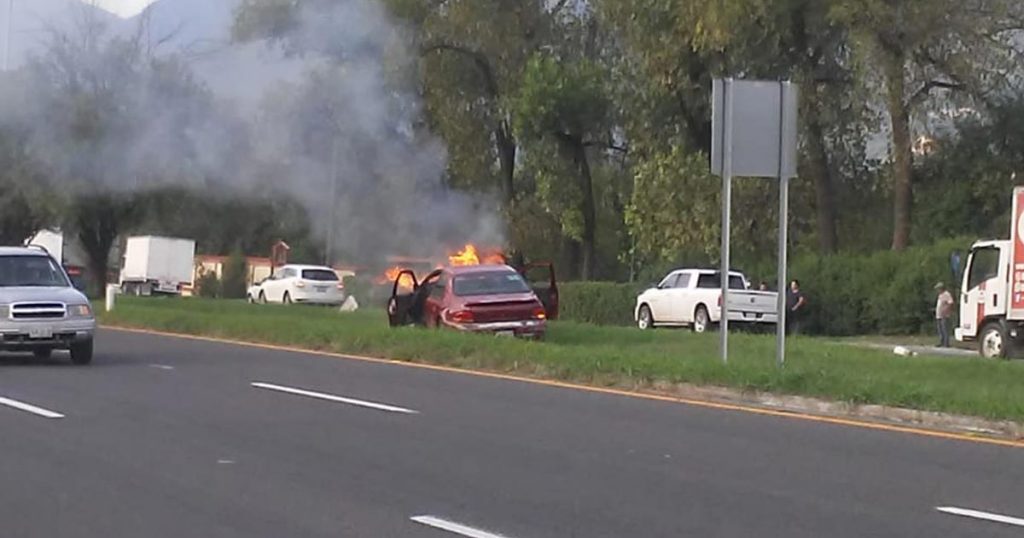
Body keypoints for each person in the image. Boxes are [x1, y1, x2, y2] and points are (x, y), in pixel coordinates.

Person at [935, 282, 955, 348]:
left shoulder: (947, 294)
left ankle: (946, 343)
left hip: (944, 315)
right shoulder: (940, 295)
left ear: (941, 288)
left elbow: (950, 303)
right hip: (939, 315)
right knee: (940, 329)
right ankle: (941, 342)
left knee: (945, 329)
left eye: (938, 289)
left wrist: (946, 310)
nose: (937, 290)